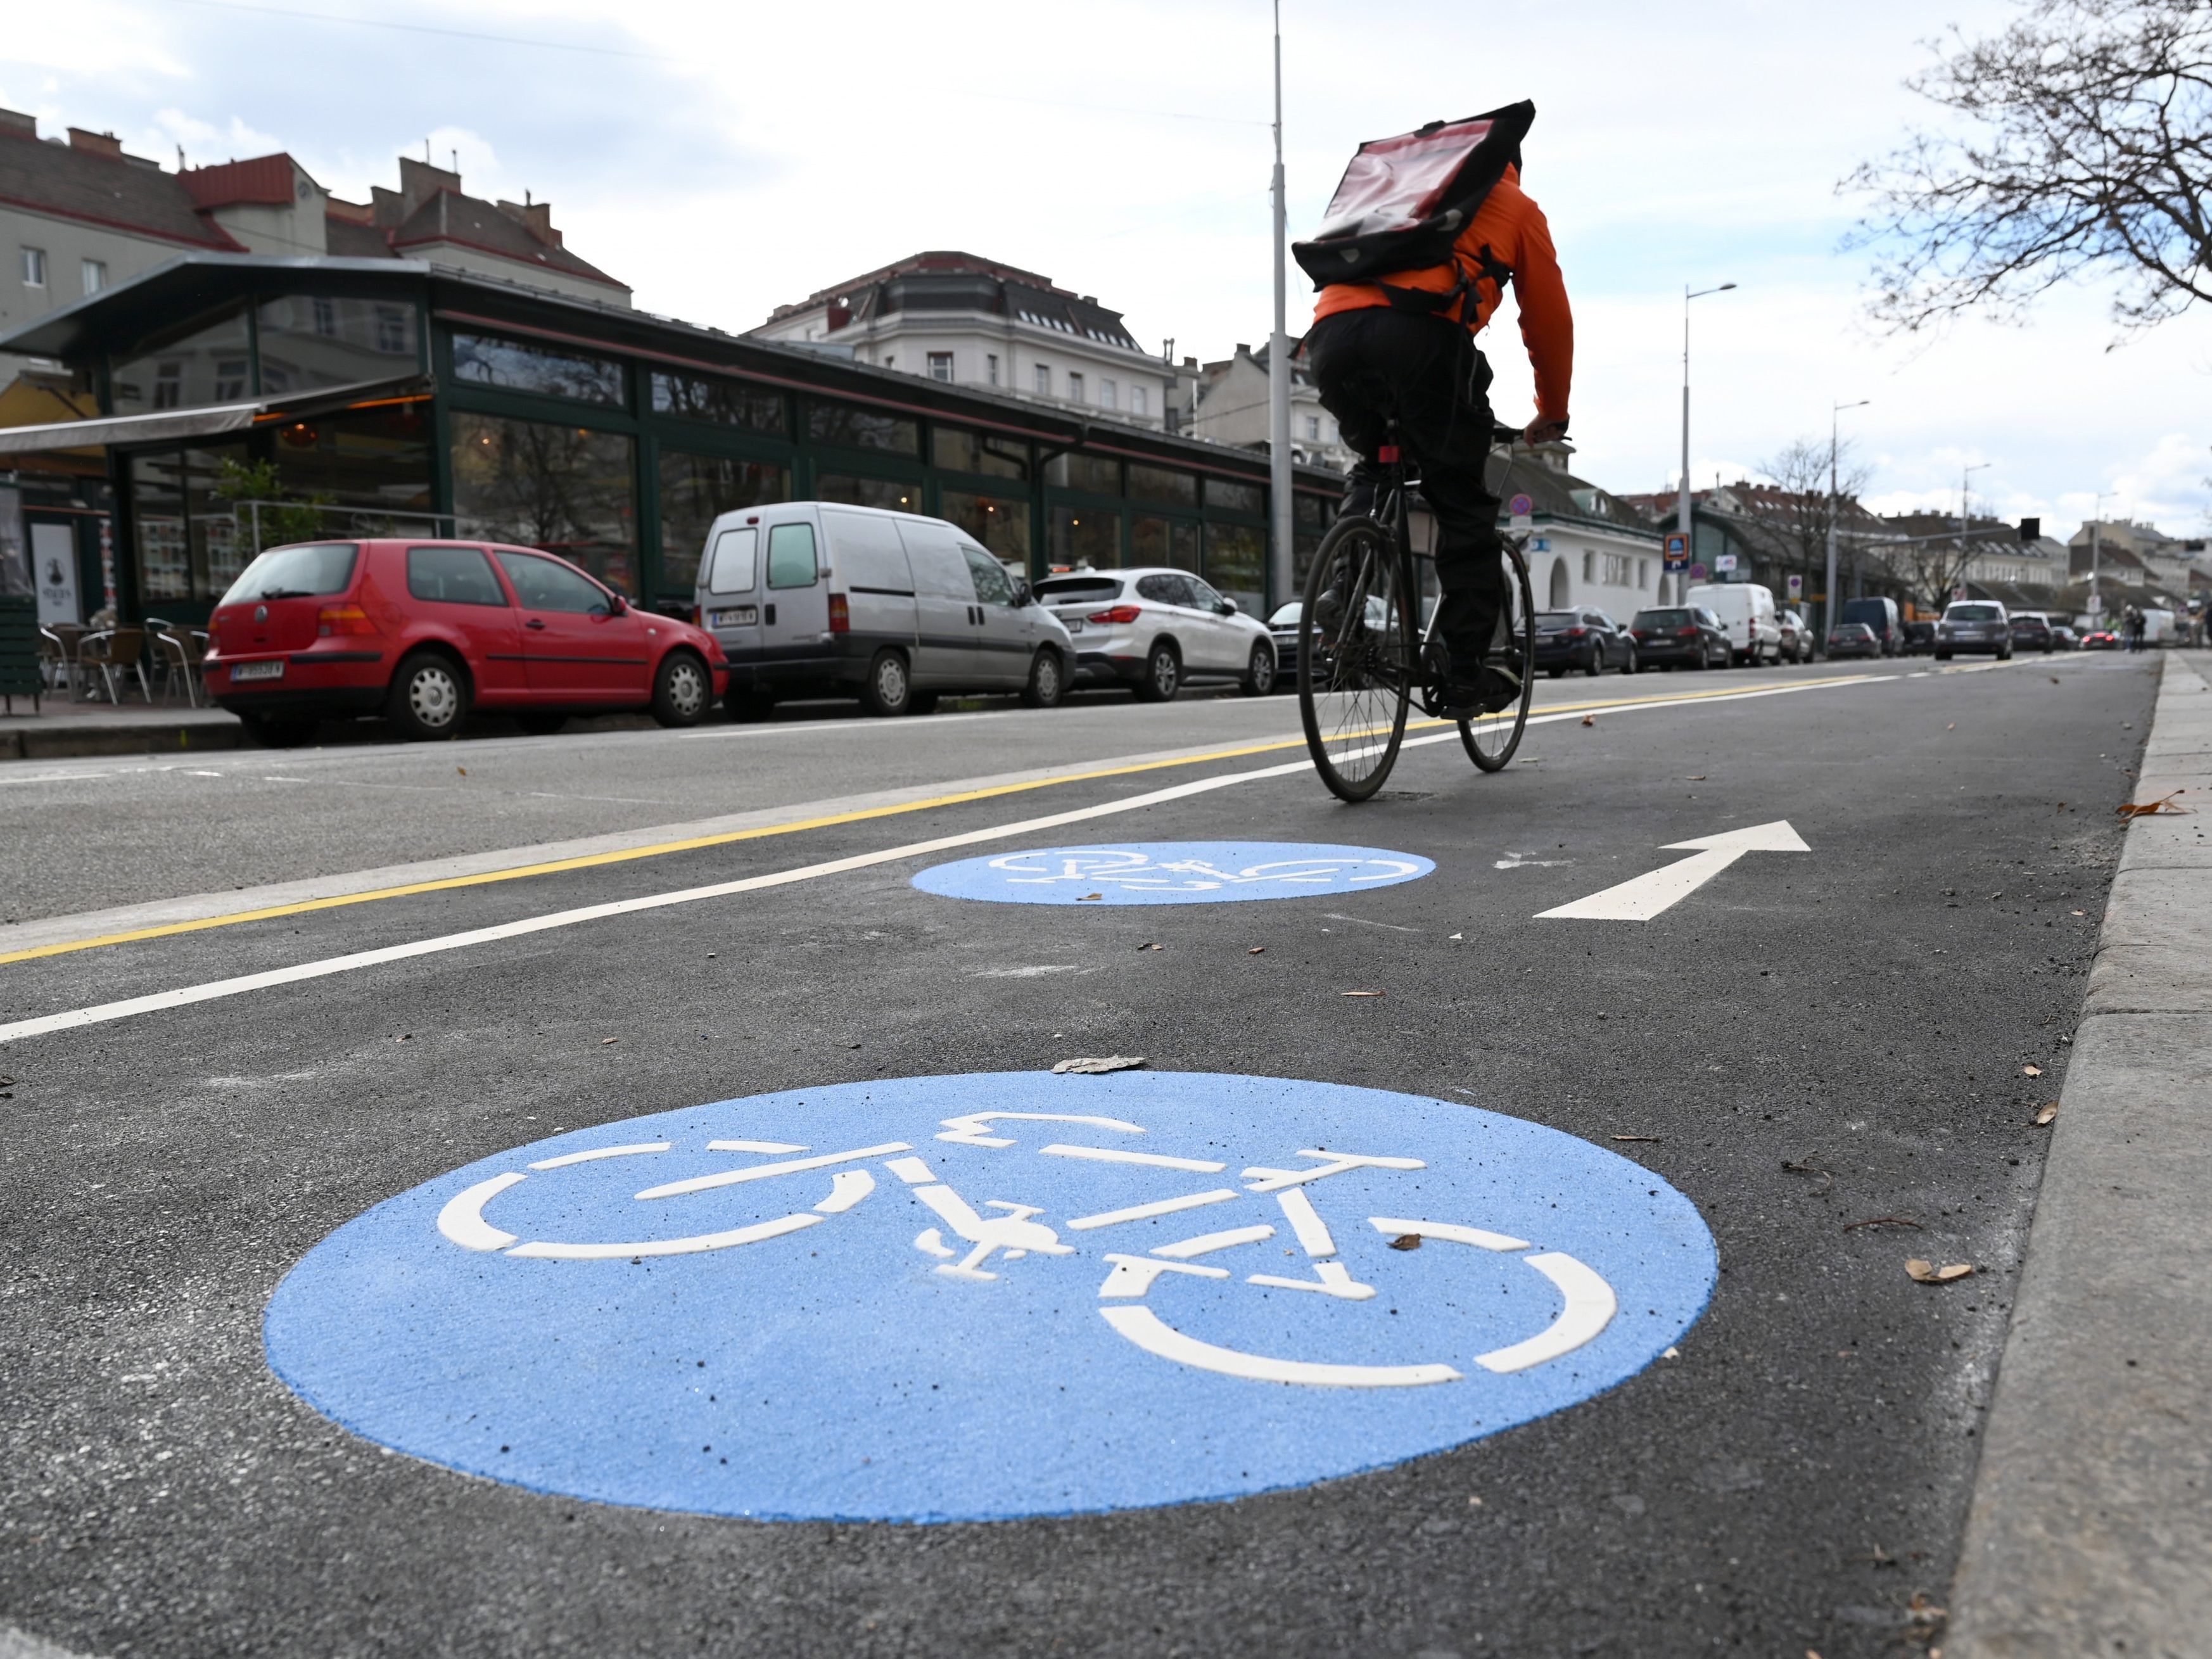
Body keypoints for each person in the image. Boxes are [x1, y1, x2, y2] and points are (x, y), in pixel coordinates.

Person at [1304, 152, 1572, 713]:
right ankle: (1467, 669)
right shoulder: (1517, 207)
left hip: (1331, 339)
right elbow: (1547, 320)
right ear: (1510, 166)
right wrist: (1552, 409)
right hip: (1420, 340)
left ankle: (1343, 590)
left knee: (1378, 464)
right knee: (1461, 500)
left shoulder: (1404, 191)